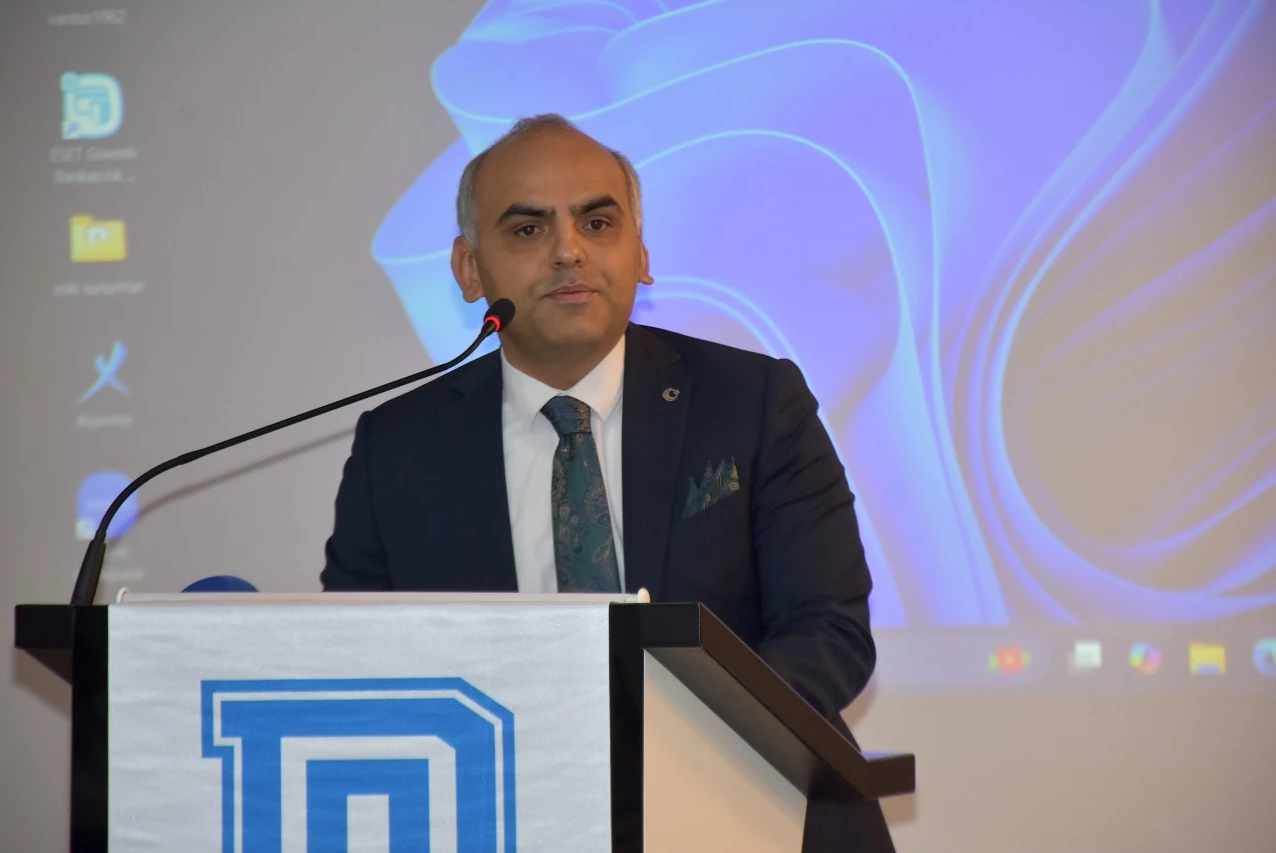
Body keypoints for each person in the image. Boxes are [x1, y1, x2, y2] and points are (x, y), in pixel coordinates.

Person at [321, 114, 893, 851]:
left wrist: (666, 741)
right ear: (470, 269)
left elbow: (829, 629)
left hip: (750, 807)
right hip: (505, 822)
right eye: (528, 229)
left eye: (597, 223)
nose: (569, 251)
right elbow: (357, 664)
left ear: (641, 253)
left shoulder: (752, 402)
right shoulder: (399, 448)